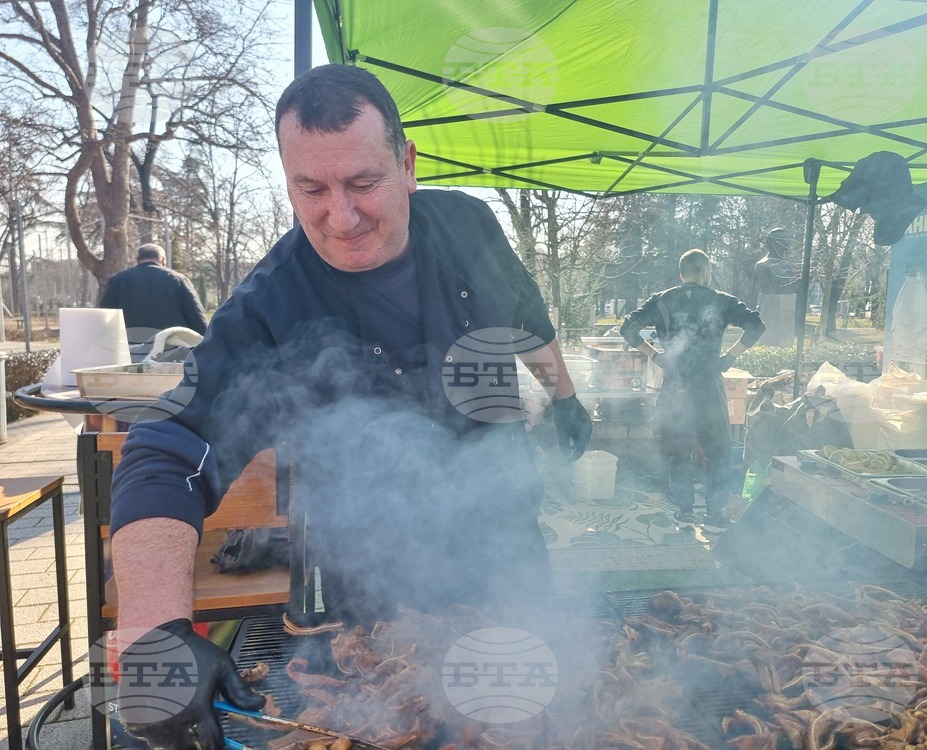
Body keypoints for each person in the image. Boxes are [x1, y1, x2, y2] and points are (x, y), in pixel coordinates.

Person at [108, 64, 592, 749]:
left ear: (407, 164)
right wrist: (156, 633)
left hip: (505, 554)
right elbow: (168, 447)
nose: (341, 216)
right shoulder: (267, 305)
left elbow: (526, 319)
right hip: (367, 598)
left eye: (363, 183)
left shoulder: (468, 225)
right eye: (312, 189)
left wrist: (563, 394)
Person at [620, 249, 764, 529]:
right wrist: (729, 357)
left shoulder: (660, 300)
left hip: (675, 386)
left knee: (678, 450)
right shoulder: (721, 300)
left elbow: (627, 329)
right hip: (709, 386)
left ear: (681, 273)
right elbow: (756, 326)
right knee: (718, 451)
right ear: (705, 271)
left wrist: (655, 356)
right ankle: (714, 514)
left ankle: (685, 512)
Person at [99, 243, 209, 346]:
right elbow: (196, 317)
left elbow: (105, 317)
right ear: (163, 260)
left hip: (131, 349)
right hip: (171, 349)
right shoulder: (178, 280)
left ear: (138, 260)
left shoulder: (117, 281)